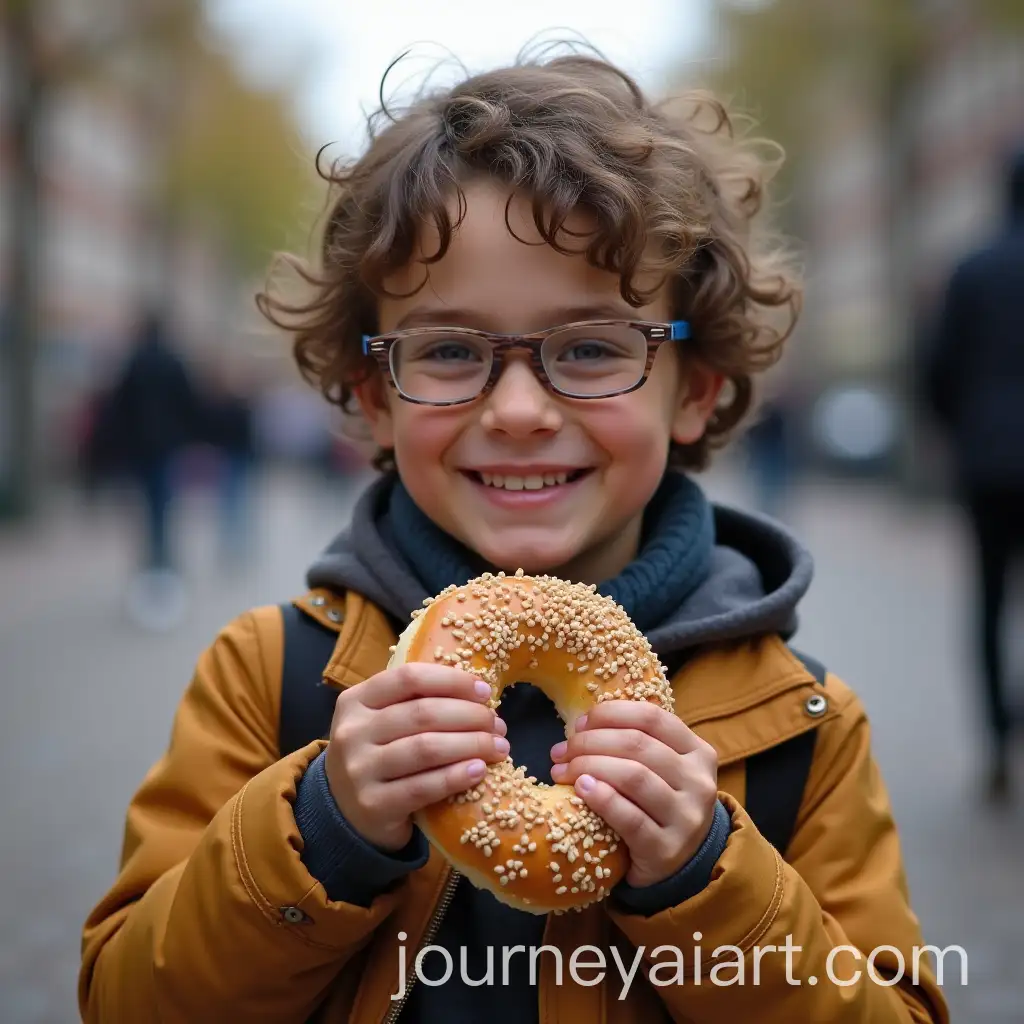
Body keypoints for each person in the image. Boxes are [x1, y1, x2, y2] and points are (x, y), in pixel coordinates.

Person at [80, 53, 948, 1022]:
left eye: (588, 348)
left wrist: (708, 877)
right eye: (449, 351)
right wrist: (319, 828)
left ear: (694, 390)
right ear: (374, 397)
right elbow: (130, 1001)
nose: (522, 408)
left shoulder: (799, 724)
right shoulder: (272, 680)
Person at [921, 146, 1024, 802]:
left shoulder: (973, 269)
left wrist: (961, 431)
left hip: (988, 463)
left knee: (989, 603)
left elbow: (936, 369)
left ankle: (995, 742)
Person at [89, 310, 201, 630]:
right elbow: (189, 402)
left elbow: (118, 407)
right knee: (164, 508)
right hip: (167, 446)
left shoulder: (134, 361)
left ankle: (152, 567)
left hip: (140, 449)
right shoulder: (173, 361)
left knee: (149, 510)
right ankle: (164, 567)